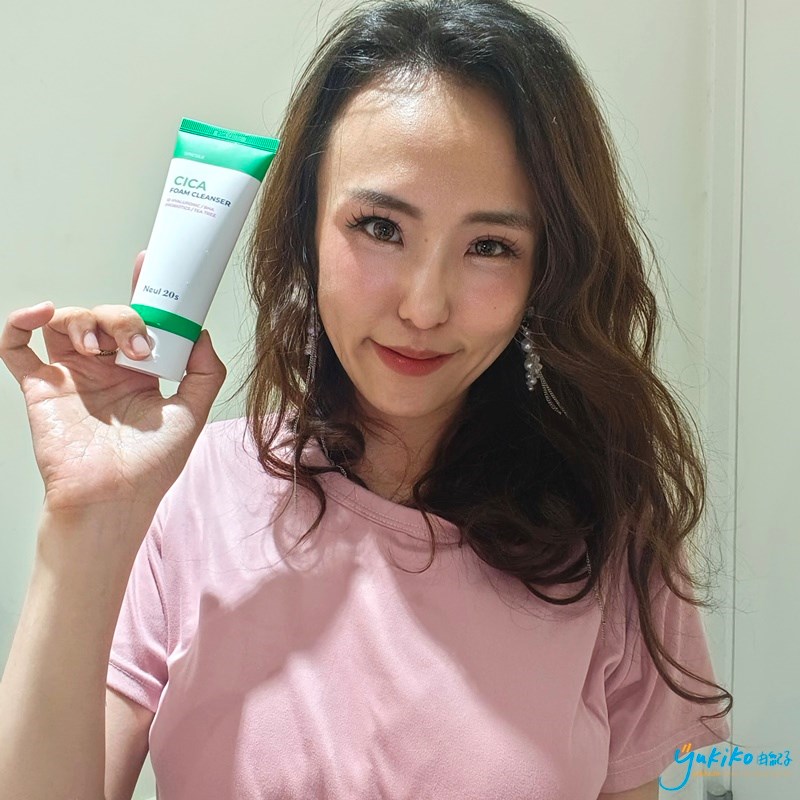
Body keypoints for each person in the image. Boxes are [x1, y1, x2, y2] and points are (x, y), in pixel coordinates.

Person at [0, 0, 734, 797]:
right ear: (306, 232)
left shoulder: (613, 537)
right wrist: (85, 522)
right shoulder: (193, 494)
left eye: (490, 246)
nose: (424, 306)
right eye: (382, 227)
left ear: (545, 272)